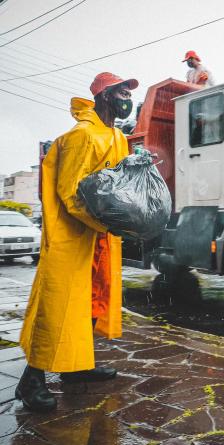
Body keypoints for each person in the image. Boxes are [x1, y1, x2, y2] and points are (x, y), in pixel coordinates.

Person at [16, 72, 137, 412]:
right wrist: (104, 222)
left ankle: (77, 365)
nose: (126, 98)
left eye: (128, 92)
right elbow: (71, 193)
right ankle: (31, 381)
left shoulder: (115, 136)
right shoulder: (82, 136)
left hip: (97, 235)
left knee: (89, 301)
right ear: (102, 96)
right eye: (121, 91)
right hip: (72, 235)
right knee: (59, 306)